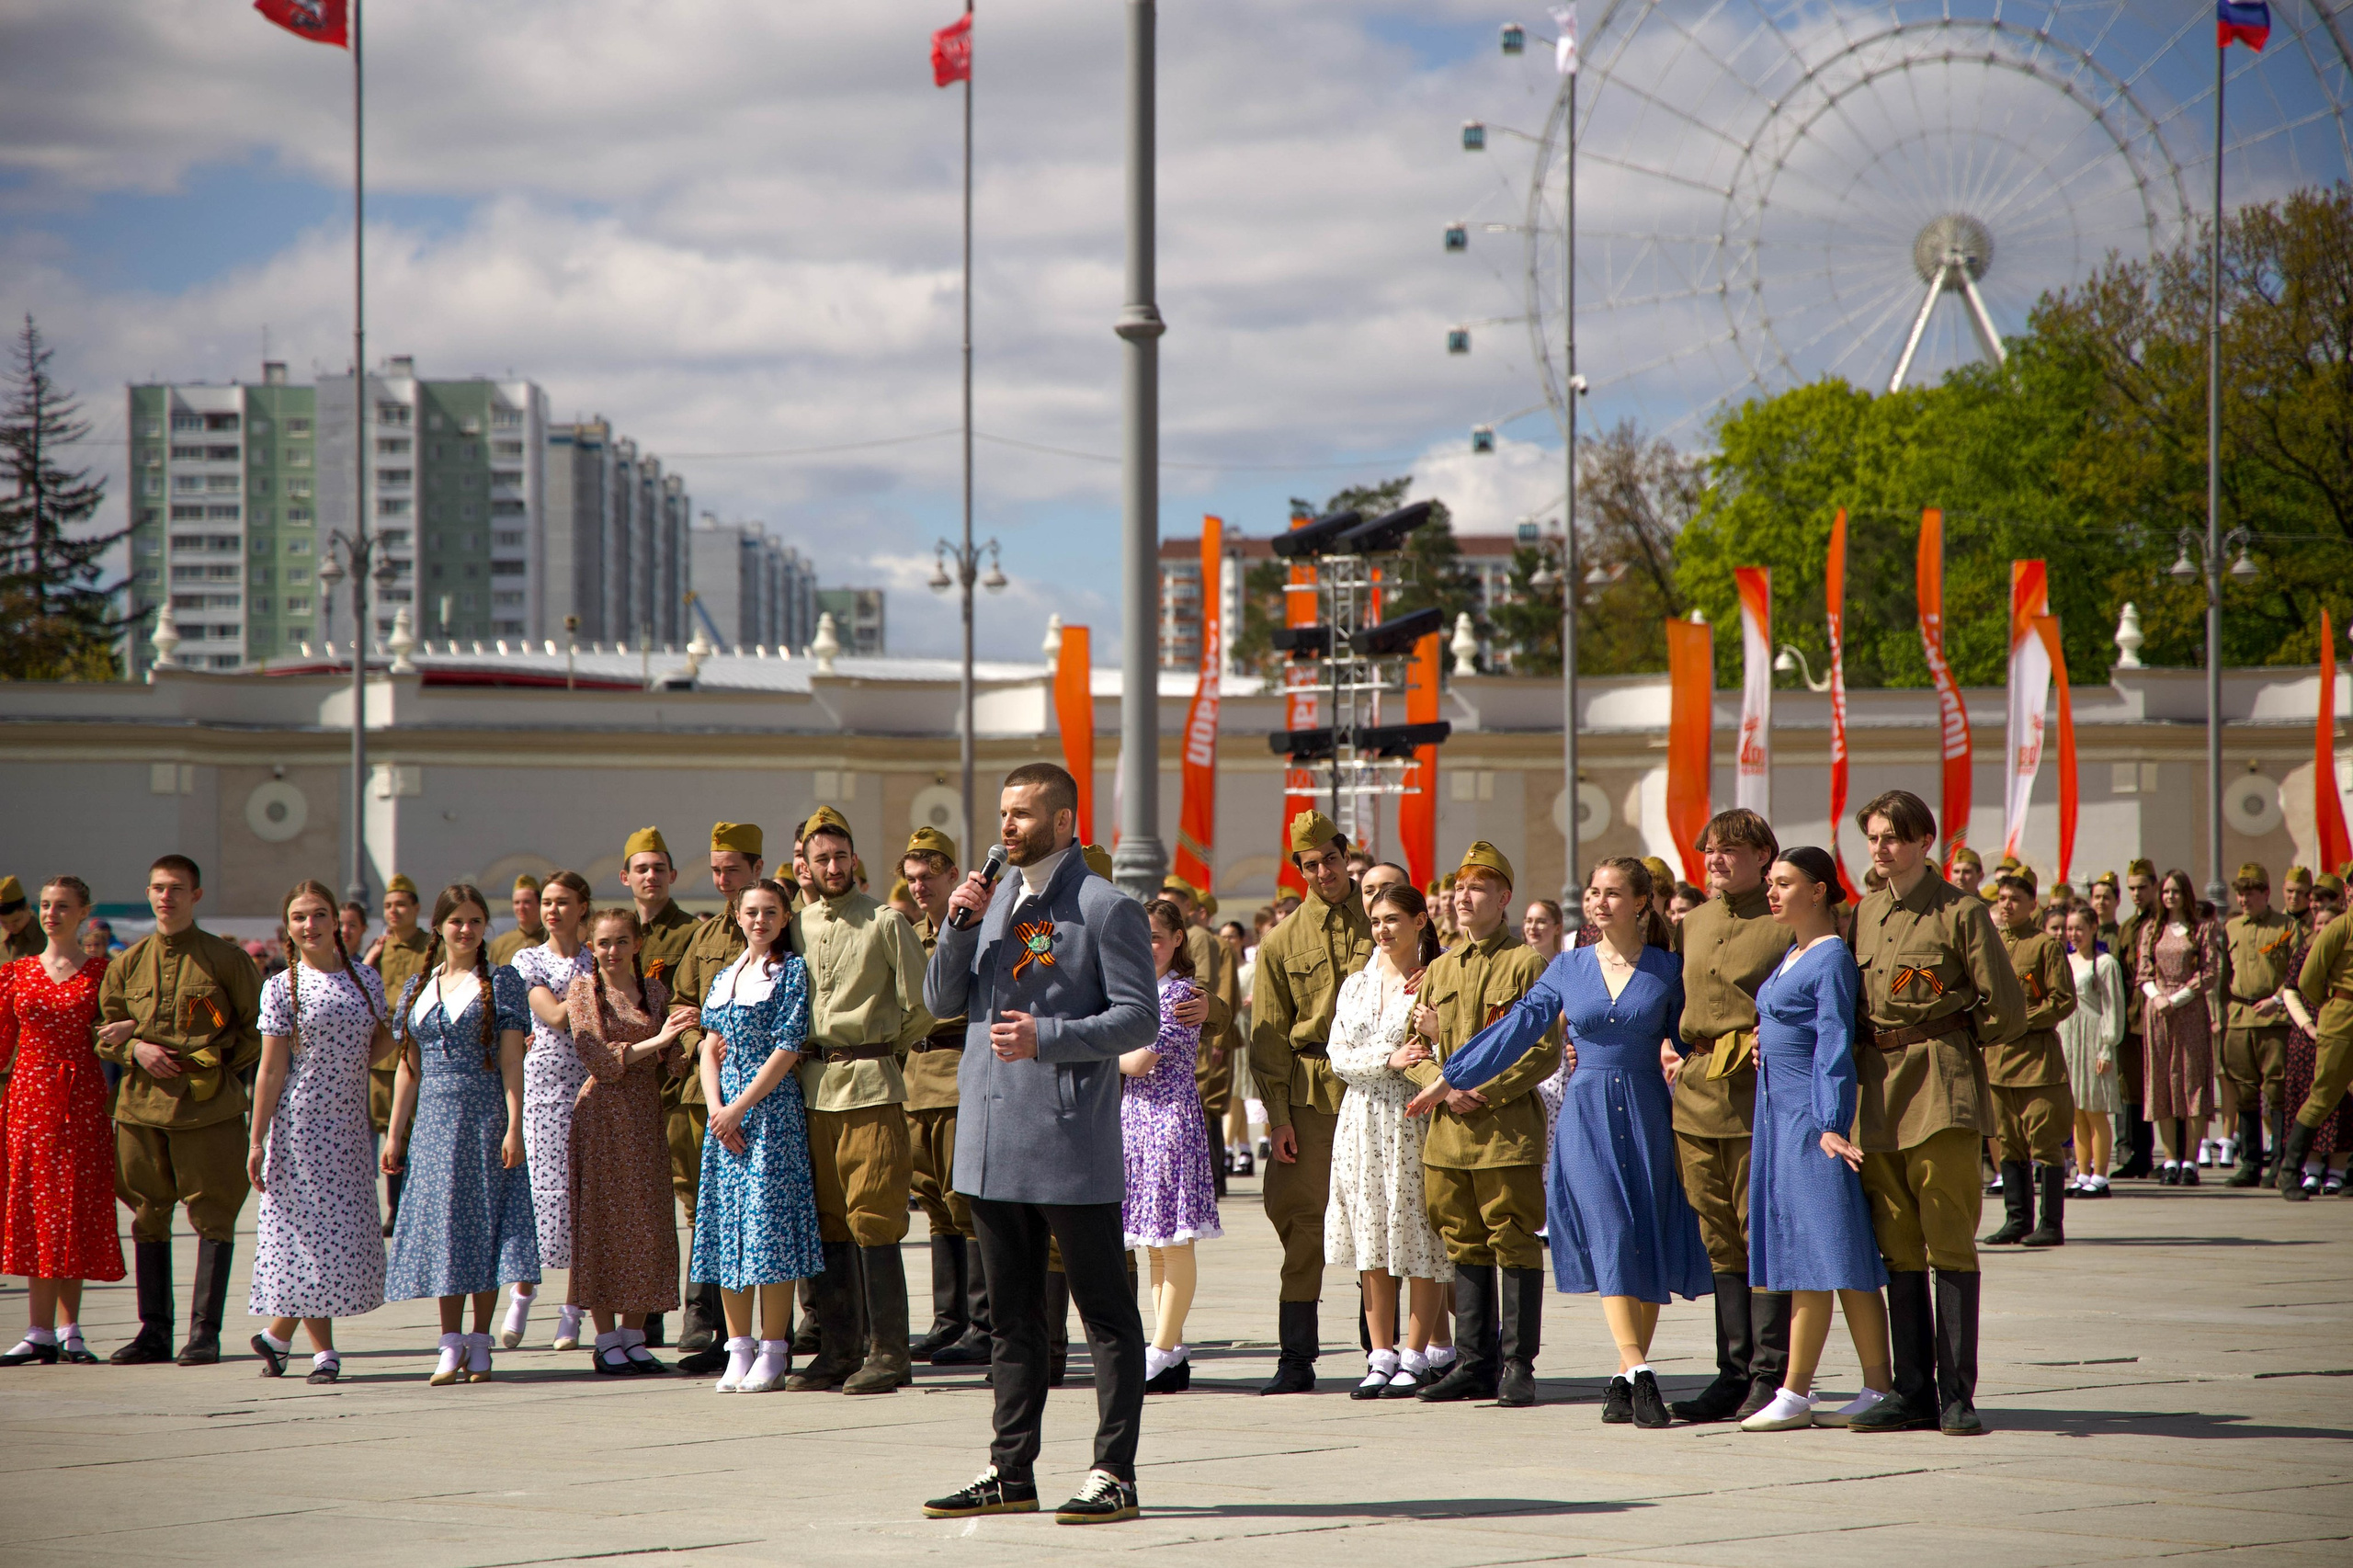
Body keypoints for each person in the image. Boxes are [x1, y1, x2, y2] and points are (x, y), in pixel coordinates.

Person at [918, 763, 1156, 1526]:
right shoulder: (990, 902)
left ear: (1062, 821)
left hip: (1067, 1143)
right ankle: (1009, 1471)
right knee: (1012, 1320)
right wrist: (956, 926)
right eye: (1003, 813)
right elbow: (938, 1000)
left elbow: (1139, 1019)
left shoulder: (1105, 907)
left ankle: (1113, 1473)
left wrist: (1048, 1037)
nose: (1006, 827)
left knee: (1104, 1316)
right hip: (991, 1145)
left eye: (1021, 814)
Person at [1414, 856, 1702, 1429]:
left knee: (1642, 1238)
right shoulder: (1568, 967)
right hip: (1586, 1116)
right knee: (1612, 1234)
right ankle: (1641, 1369)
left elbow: (1694, 1037)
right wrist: (1452, 1075)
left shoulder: (1669, 970)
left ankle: (1623, 1378)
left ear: (1641, 903)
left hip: (1648, 1111)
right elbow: (1518, 1026)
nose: (1599, 901)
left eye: (1612, 893)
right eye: (1594, 892)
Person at [1846, 791, 2024, 1436]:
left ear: (1926, 842)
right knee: (1897, 1245)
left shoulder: (1961, 911)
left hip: (1939, 1089)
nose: (1880, 848)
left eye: (1893, 837)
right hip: (1877, 1093)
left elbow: (2007, 1009)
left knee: (1948, 1240)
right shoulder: (1864, 912)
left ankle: (1956, 1395)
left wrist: (1956, 1036)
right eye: (1873, 837)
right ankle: (1912, 1391)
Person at [1402, 843, 1560, 1408]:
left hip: (1505, 1131)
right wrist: (1441, 1083)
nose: (1463, 898)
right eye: (1459, 888)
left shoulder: (1526, 965)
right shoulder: (1441, 968)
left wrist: (1483, 1090)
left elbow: (1543, 1050)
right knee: (1462, 1240)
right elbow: (1413, 1048)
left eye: (1477, 888)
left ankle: (1518, 1364)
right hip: (1448, 1134)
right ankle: (1474, 1363)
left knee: (1513, 1239)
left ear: (1504, 897)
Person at [1738, 847, 1890, 1432]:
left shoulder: (1829, 958)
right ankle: (1874, 1386)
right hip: (1779, 1116)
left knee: (1822, 1253)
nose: (1772, 892)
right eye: (1771, 883)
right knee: (1835, 1253)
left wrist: (1830, 1121)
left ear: (1820, 890)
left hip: (1809, 1121)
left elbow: (1833, 1041)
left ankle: (1797, 1391)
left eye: (1784, 883)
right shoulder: (1795, 952)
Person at [785, 807, 934, 1395]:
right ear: (805, 865)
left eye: (841, 856)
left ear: (854, 859)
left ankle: (890, 1353)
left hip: (870, 1086)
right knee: (828, 1221)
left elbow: (923, 1004)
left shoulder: (885, 921)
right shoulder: (796, 926)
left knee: (874, 1218)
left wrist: (883, 1050)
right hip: (812, 1089)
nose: (833, 867)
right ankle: (838, 1350)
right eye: (821, 858)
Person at [95, 855, 264, 1365]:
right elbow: (105, 1033)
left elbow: (256, 1029)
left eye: (176, 888)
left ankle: (204, 1334)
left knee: (214, 1216)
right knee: (147, 1215)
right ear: (148, 893)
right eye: (158, 888)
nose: (166, 897)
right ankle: (154, 1332)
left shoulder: (225, 960)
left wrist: (212, 1067)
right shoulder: (127, 963)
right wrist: (136, 1049)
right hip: (141, 1108)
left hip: (206, 1110)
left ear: (196, 895)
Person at [1662, 807, 1795, 1425]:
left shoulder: (1783, 918)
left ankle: (1770, 1375)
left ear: (1763, 856)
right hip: (1696, 1093)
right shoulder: (1693, 921)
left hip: (1755, 1095)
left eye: (1730, 850)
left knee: (1757, 1232)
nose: (1715, 860)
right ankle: (1732, 1373)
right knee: (1717, 1235)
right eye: (1709, 850)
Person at [381, 883, 538, 1385]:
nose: (466, 930)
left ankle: (480, 1341)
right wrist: (395, 1133)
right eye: (456, 921)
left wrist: (515, 1126)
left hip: (485, 1118)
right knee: (445, 1229)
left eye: (475, 921)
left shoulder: (502, 981)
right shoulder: (419, 985)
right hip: (433, 1125)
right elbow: (408, 1067)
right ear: (439, 926)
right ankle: (450, 1342)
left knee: (486, 1226)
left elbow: (512, 1061)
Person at [244, 881, 392, 1383]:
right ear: (287, 927)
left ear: (336, 921)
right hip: (301, 1123)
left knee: (342, 1235)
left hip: (349, 1124)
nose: (310, 925)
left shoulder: (365, 979)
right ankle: (323, 1352)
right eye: (300, 917)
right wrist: (257, 1139)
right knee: (309, 1235)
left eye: (319, 914)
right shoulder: (281, 986)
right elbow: (270, 1069)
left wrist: (400, 1028)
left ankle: (276, 1337)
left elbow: (377, 1046)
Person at [1247, 810, 1374, 1395]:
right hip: (1312, 1094)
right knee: (1304, 1227)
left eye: (1331, 859)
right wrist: (1278, 1119)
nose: (1324, 872)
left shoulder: (1382, 919)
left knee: (1383, 1219)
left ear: (1346, 856)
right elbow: (1269, 1038)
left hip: (1379, 1087)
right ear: (1299, 870)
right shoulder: (1281, 941)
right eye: (1311, 864)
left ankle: (1384, 1353)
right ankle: (1296, 1359)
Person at [1323, 881, 1454, 1400]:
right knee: (1371, 1236)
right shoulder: (1355, 985)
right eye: (1376, 921)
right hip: (1359, 1120)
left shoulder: (1433, 978)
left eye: (1393, 919)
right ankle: (1380, 1354)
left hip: (1411, 1117)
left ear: (1420, 921)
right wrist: (1387, 1058)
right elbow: (1338, 1055)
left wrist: (1431, 1036)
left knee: (1417, 1233)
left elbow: (1438, 1049)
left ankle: (1417, 1355)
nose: (1382, 930)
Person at [661, 823, 774, 1372]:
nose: (723, 879)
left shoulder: (779, 924)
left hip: (766, 1095)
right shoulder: (704, 938)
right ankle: (712, 1329)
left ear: (756, 869)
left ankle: (787, 1332)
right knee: (709, 1210)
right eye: (716, 870)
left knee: (770, 1212)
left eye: (733, 869)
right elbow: (682, 1002)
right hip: (706, 1090)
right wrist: (700, 1043)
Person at [1, 876, 122, 1366]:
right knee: (36, 1209)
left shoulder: (104, 972)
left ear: (84, 912)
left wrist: (130, 1029)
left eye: (63, 906)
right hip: (29, 1100)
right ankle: (38, 1330)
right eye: (46, 905)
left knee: (76, 1207)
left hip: (82, 1098)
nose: (51, 914)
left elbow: (124, 1024)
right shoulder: (17, 972)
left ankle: (69, 1329)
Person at [567, 905, 691, 1376]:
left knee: (648, 1222)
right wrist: (658, 1042)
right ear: (591, 947)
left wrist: (697, 1031)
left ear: (638, 944)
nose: (613, 951)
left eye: (622, 941)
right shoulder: (584, 990)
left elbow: (675, 1060)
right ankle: (605, 1340)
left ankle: (634, 1336)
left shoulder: (655, 992)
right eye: (603, 943)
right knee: (602, 1222)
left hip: (644, 1116)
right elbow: (596, 1057)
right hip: (602, 1115)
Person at [1122, 899, 1222, 1394]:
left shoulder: (1180, 993)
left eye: (1157, 938)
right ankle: (1170, 1349)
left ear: (1178, 938)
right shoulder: (1142, 991)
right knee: (1155, 1247)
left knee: (1173, 1242)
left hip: (1167, 1121)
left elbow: (1140, 1062)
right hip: (1140, 1121)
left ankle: (1161, 1349)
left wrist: (1091, 1048)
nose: (1148, 948)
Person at [899, 829, 986, 1365]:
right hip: (915, 1076)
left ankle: (983, 1323)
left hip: (956, 1073)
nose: (919, 887)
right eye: (912, 879)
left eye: (929, 876)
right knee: (932, 1200)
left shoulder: (973, 931)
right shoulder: (908, 935)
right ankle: (948, 1320)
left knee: (965, 1201)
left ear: (954, 875)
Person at [620, 826, 702, 1349]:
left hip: (673, 1087)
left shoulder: (692, 933)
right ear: (625, 877)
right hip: (625, 1090)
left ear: (672, 875)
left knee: (692, 1202)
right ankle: (642, 1314)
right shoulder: (614, 934)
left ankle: (698, 1315)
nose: (651, 877)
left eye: (658, 868)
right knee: (637, 1207)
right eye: (641, 869)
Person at [508, 869, 596, 1352]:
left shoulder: (597, 955)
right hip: (543, 1088)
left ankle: (572, 1310)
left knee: (584, 1199)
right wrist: (595, 988)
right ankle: (522, 1295)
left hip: (592, 1086)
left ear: (582, 907)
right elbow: (556, 1016)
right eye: (546, 902)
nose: (552, 910)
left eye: (562, 902)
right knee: (541, 1195)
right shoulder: (530, 959)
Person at [1984, 869, 2077, 1248]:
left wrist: (2021, 1020)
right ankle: (2017, 1219)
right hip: (1997, 1060)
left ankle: (2051, 1224)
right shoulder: (1991, 945)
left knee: (2044, 1143)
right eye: (2002, 898)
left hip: (2036, 1060)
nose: (2007, 905)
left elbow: (2063, 1000)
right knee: (2008, 1142)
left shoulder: (2045, 946)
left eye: (2015, 900)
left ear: (2032, 904)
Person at [2137, 869, 2222, 1186]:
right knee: (2162, 1081)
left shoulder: (2201, 929)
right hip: (2158, 1011)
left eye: (2175, 891)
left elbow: (2209, 972)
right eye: (2165, 891)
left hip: (2189, 1009)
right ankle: (2170, 1159)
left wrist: (2179, 998)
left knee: (2192, 1081)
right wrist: (2157, 997)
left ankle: (2190, 1161)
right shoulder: (2152, 929)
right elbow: (2143, 971)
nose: (2170, 897)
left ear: (2186, 894)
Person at [1161, 878, 1240, 1204]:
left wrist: (1219, 1037)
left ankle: (1213, 1179)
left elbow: (1206, 986)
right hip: (1184, 1034)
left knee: (1207, 1106)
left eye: (1174, 904)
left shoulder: (1199, 938)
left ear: (1190, 907)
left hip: (1195, 1033)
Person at [365, 874, 433, 1236]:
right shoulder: (381, 949)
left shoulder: (431, 946)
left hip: (418, 1050)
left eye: (402, 905)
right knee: (390, 1132)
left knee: (415, 1129)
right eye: (389, 906)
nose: (395, 912)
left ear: (416, 908)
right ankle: (394, 1209)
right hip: (385, 1056)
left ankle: (415, 1207)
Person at [2222, 863, 2295, 1187]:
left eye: (2250, 893)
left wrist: (2277, 999)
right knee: (2244, 1092)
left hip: (2274, 1019)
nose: (2244, 899)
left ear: (2266, 892)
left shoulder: (2286, 927)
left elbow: (2296, 972)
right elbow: (2224, 976)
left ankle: (2279, 1163)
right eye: (2240, 893)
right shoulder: (2231, 928)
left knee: (2277, 1091)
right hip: (2239, 1019)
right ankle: (2250, 1164)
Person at [2279, 884, 2353, 1199]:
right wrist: (2328, 1005)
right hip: (2343, 1017)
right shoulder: (2340, 927)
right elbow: (2307, 978)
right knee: (2323, 1096)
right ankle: (2289, 1173)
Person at [2061, 904, 2126, 1198]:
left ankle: (2100, 1175)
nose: (2074, 934)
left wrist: (2107, 1048)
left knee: (2095, 1109)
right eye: (2070, 928)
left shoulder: (2105, 964)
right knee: (2076, 1111)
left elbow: (2113, 1008)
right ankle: (2082, 1172)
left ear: (2093, 929)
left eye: (2079, 928)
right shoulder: (2066, 961)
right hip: (2068, 1038)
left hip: (2094, 1038)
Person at [2112, 859, 2162, 1178]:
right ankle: (2138, 1155)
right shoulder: (2128, 925)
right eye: (2131, 888)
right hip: (2131, 1014)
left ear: (2154, 887)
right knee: (2132, 1087)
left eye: (2142, 887)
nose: (2136, 894)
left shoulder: (2163, 922)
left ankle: (2173, 1157)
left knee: (2161, 1086)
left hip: (2157, 1012)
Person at [486, 873, 547, 967]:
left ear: (539, 904)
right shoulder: (500, 944)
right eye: (517, 903)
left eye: (527, 902)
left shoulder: (550, 941)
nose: (521, 908)